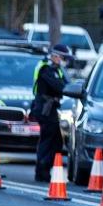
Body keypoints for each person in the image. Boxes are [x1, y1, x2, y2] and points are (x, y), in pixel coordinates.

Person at [31, 43, 72, 182]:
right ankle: (42, 171)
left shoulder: (56, 68)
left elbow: (67, 83)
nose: (65, 61)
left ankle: (47, 170)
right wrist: (67, 87)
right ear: (55, 56)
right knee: (48, 140)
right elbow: (59, 86)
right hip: (44, 108)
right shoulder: (46, 68)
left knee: (55, 141)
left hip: (51, 108)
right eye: (63, 58)